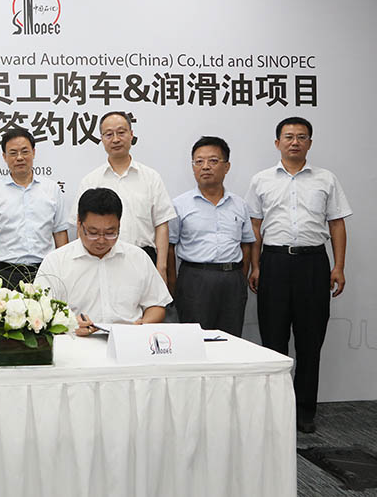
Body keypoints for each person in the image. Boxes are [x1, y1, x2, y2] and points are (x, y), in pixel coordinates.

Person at [246, 116, 351, 434]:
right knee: (273, 341)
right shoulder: (261, 180)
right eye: (289, 136)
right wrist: (255, 266)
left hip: (313, 264)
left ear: (310, 143)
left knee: (310, 341)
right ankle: (276, 410)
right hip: (274, 263)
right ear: (277, 142)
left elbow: (336, 224)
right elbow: (254, 227)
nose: (295, 142)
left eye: (301, 137)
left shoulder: (326, 179)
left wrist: (338, 266)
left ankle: (305, 411)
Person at [36, 188, 171, 336]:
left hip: (128, 340)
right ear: (79, 223)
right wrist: (69, 324)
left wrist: (143, 324)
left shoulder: (137, 257)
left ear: (119, 224)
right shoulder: (56, 262)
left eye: (110, 233)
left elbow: (156, 305)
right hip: (77, 343)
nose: (101, 240)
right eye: (93, 233)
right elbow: (40, 313)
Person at [71, 112, 175, 282]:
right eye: (109, 134)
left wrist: (161, 268)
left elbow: (161, 224)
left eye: (121, 132)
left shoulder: (151, 177)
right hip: (102, 260)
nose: (115, 139)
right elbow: (81, 227)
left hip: (144, 258)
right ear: (101, 139)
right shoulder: (90, 181)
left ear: (131, 134)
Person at [167, 136, 255, 336]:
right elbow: (170, 246)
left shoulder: (239, 204)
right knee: (195, 341)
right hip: (195, 279)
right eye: (199, 161)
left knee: (231, 339)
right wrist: (173, 284)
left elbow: (246, 243)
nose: (205, 166)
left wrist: (240, 277)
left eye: (213, 161)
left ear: (227, 166)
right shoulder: (180, 205)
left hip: (232, 280)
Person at [0, 128, 68, 290]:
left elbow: (60, 233)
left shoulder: (52, 189)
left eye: (25, 151)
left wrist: (64, 272)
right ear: (4, 157)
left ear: (33, 152)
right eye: (13, 153)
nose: (19, 157)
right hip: (7, 273)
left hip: (45, 270)